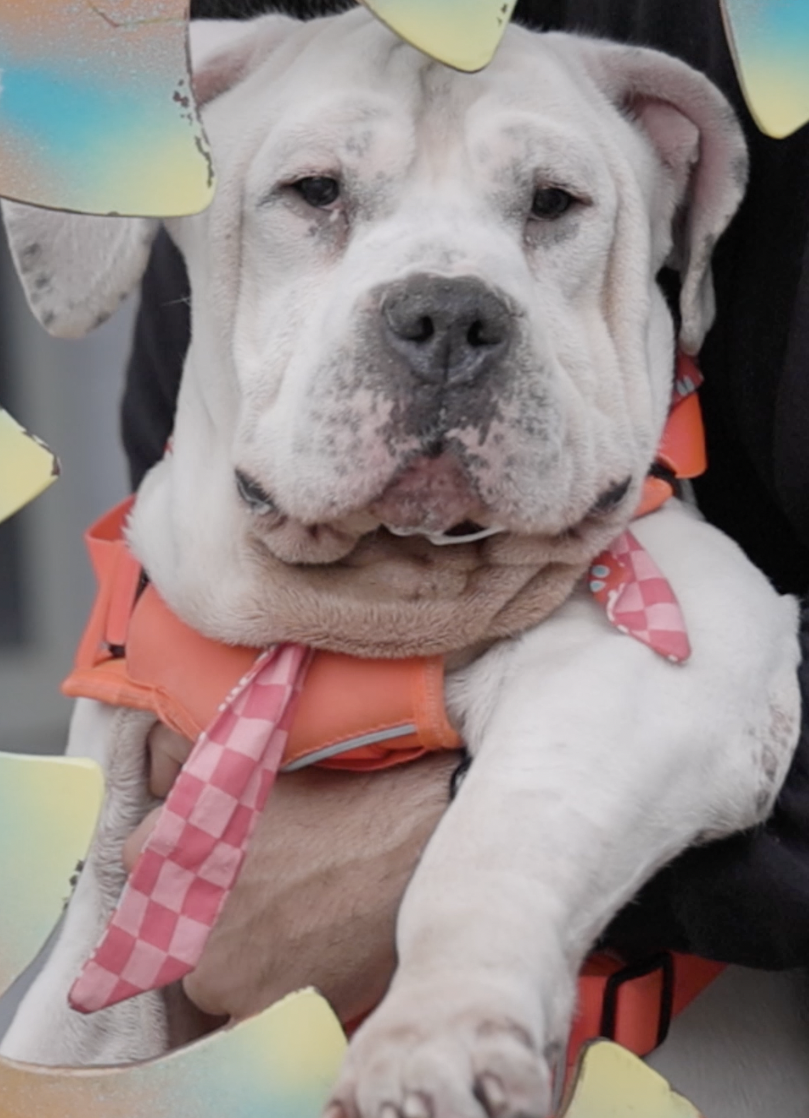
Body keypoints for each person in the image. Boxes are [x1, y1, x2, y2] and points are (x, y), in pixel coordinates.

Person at [119, 0, 809, 1026]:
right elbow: (173, 489)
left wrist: (438, 845)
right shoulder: (246, 57)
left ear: (679, 181)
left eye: (547, 205)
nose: (446, 322)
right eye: (318, 191)